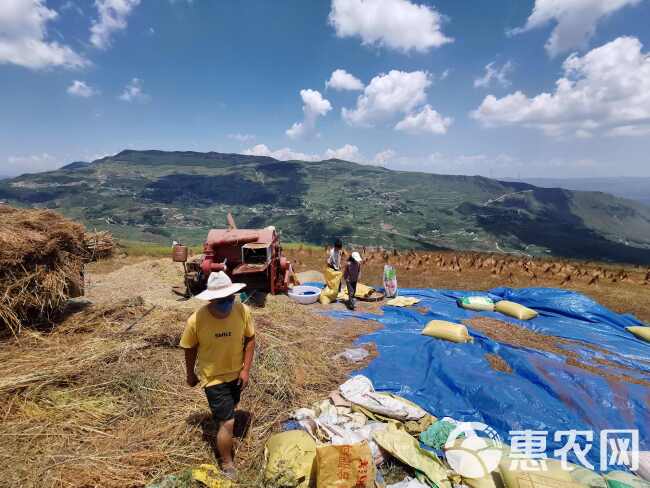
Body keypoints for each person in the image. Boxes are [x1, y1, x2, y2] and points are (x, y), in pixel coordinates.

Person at [180, 271, 255, 480]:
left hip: (236, 375)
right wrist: (190, 374)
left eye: (229, 298)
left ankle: (222, 420)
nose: (226, 303)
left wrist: (245, 369)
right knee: (228, 422)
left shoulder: (242, 311)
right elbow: (189, 348)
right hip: (213, 378)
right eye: (221, 300)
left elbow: (250, 339)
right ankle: (227, 463)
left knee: (231, 410)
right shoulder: (196, 320)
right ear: (210, 299)